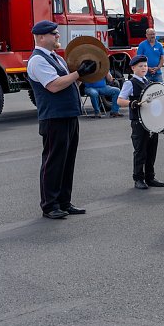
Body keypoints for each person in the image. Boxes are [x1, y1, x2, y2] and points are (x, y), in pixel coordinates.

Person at [27, 20, 96, 219]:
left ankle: (64, 202)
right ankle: (49, 205)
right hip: (54, 117)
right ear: (41, 37)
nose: (58, 36)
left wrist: (83, 73)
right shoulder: (37, 60)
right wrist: (78, 73)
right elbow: (54, 85)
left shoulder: (55, 58)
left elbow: (71, 82)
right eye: (53, 33)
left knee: (67, 160)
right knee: (53, 161)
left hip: (67, 114)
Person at [117, 55, 164, 190]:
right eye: (140, 66)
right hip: (138, 122)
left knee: (151, 150)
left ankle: (150, 177)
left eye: (145, 65)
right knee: (140, 151)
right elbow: (119, 100)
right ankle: (138, 178)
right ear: (133, 68)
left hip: (151, 121)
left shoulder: (148, 82)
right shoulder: (129, 83)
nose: (144, 68)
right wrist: (131, 103)